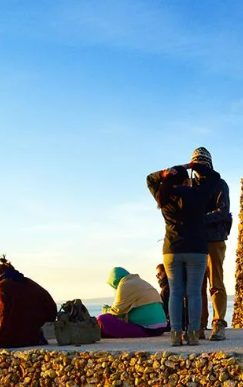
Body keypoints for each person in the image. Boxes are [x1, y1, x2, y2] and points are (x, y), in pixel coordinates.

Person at [147, 165, 209, 346]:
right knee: (194, 293)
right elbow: (213, 178)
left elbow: (150, 179)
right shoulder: (196, 195)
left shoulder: (163, 195)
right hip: (196, 249)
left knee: (175, 292)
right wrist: (193, 166)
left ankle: (175, 334)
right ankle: (193, 334)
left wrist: (163, 173)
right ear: (186, 180)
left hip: (172, 250)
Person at [190, 147, 231, 341]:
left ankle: (218, 322)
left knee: (215, 282)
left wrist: (199, 219)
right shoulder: (190, 185)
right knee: (197, 285)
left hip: (214, 239)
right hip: (196, 240)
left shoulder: (220, 184)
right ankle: (198, 324)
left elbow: (223, 210)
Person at [0, 256, 56, 349]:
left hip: (10, 340)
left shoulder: (2, 286)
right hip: (34, 337)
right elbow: (52, 312)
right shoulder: (30, 284)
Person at [97, 267, 167, 338]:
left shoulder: (124, 285)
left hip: (147, 329)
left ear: (114, 281)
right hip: (162, 327)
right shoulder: (142, 282)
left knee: (102, 319)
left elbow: (116, 312)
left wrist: (106, 310)